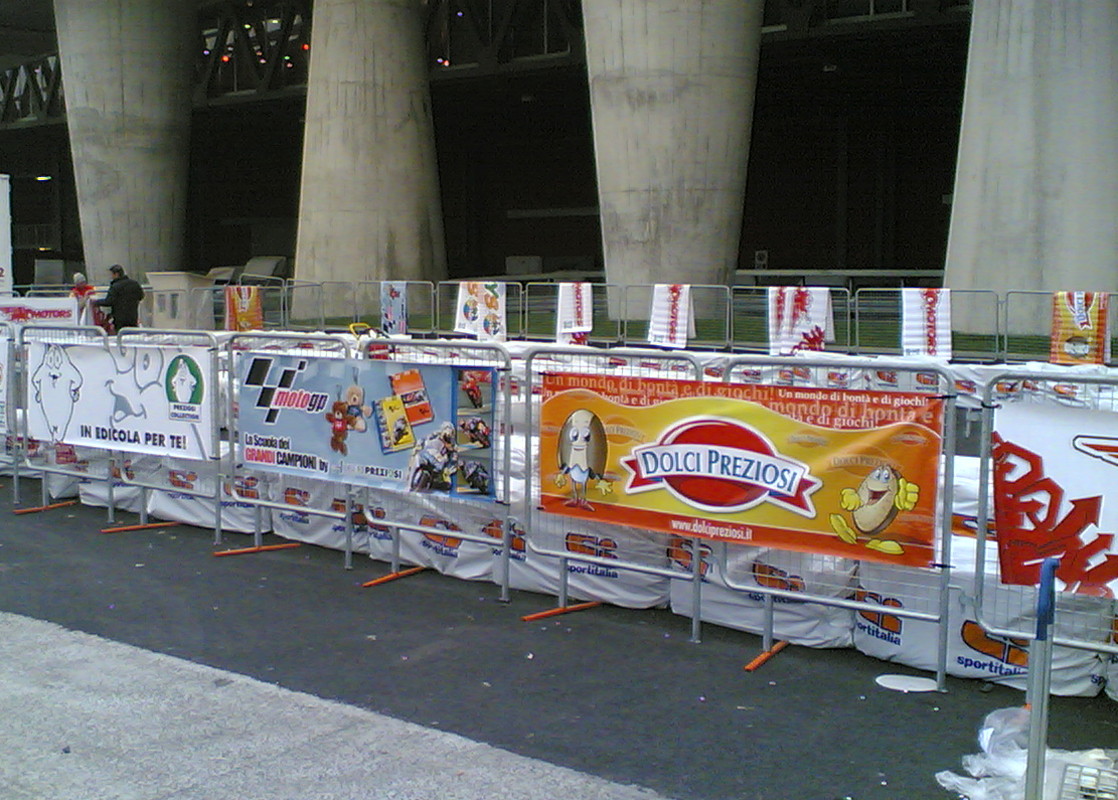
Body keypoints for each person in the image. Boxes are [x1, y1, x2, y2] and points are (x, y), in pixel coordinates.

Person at [94, 264, 145, 331]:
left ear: (116, 274)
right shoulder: (135, 284)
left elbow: (109, 301)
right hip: (133, 316)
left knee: (121, 334)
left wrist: (97, 302)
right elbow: (141, 296)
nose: (111, 277)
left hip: (119, 318)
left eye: (112, 274)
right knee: (133, 334)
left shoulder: (115, 286)